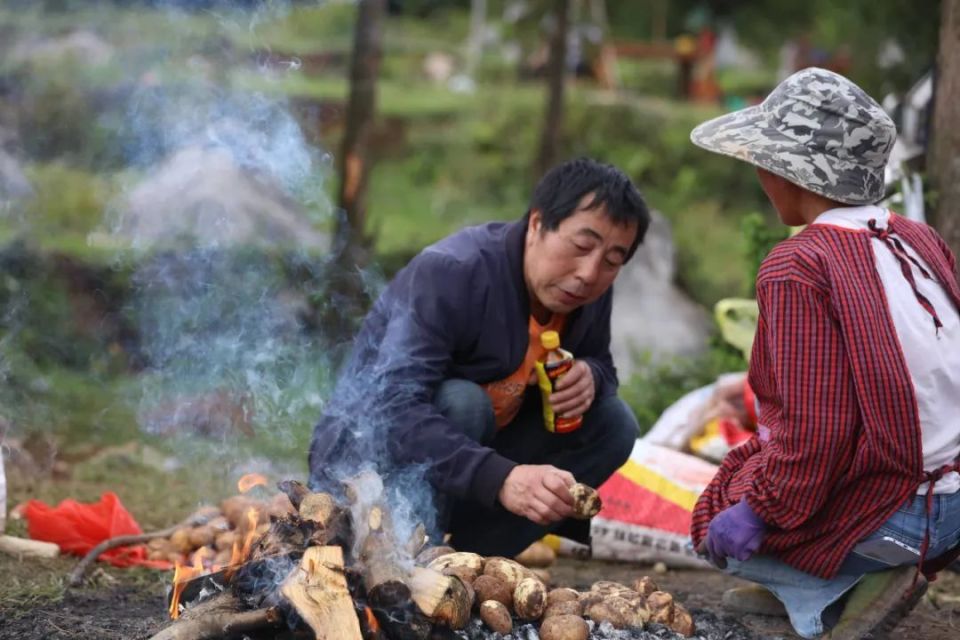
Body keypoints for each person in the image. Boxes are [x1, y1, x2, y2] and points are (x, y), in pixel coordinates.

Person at [688, 67, 960, 639]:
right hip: (955, 500)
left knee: (720, 509)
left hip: (908, 518)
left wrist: (757, 512)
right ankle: (840, 573)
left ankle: (822, 592)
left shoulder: (798, 265)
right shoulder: (918, 239)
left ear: (786, 171)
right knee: (767, 470)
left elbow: (818, 431)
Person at [309, 158, 649, 557]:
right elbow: (393, 406)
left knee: (614, 424)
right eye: (581, 246)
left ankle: (477, 563)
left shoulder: (586, 293)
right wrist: (502, 479)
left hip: (463, 470)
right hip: (367, 468)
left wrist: (592, 376)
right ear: (538, 224)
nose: (590, 273)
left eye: (612, 261)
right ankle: (405, 559)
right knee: (463, 401)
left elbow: (601, 362)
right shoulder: (453, 272)